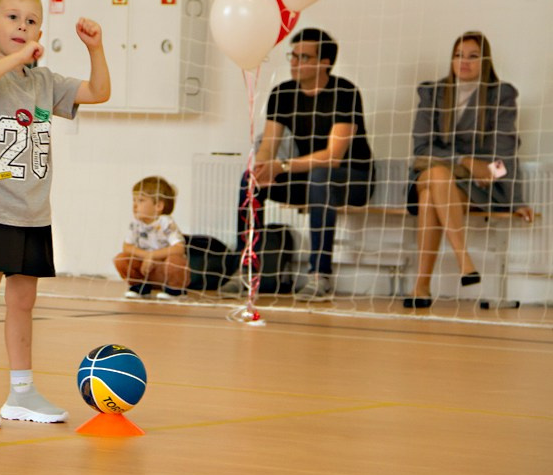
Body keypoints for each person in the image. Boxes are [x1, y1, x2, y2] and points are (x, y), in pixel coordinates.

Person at [0, 0, 110, 429]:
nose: (22, 26)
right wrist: (18, 57)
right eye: (12, 18)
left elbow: (98, 92)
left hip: (34, 212)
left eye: (31, 20)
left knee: (23, 301)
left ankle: (21, 392)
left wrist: (95, 48)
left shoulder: (43, 81)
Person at [220, 28, 375, 301]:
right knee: (250, 180)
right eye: (293, 56)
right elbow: (269, 144)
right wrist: (264, 168)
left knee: (320, 176)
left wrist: (282, 166)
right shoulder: (283, 93)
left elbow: (332, 156)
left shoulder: (345, 92)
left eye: (304, 57)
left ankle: (319, 275)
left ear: (325, 62)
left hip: (352, 178)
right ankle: (246, 269)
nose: (294, 63)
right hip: (305, 175)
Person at [402, 32, 533, 308]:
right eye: (459, 55)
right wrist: (464, 161)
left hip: (477, 184)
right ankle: (465, 260)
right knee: (436, 176)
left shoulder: (501, 95)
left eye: (473, 56)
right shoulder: (432, 92)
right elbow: (421, 149)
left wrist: (514, 198)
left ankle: (421, 287)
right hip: (432, 171)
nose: (464, 61)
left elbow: (505, 157)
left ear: (485, 61)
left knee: (430, 196)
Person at [113, 176, 191, 299]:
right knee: (121, 259)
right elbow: (126, 246)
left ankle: (176, 290)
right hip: (146, 269)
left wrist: (152, 256)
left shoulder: (166, 222)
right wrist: (146, 256)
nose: (134, 205)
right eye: (134, 200)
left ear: (158, 206)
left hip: (163, 269)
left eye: (141, 200)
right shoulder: (136, 223)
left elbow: (179, 248)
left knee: (175, 261)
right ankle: (140, 287)